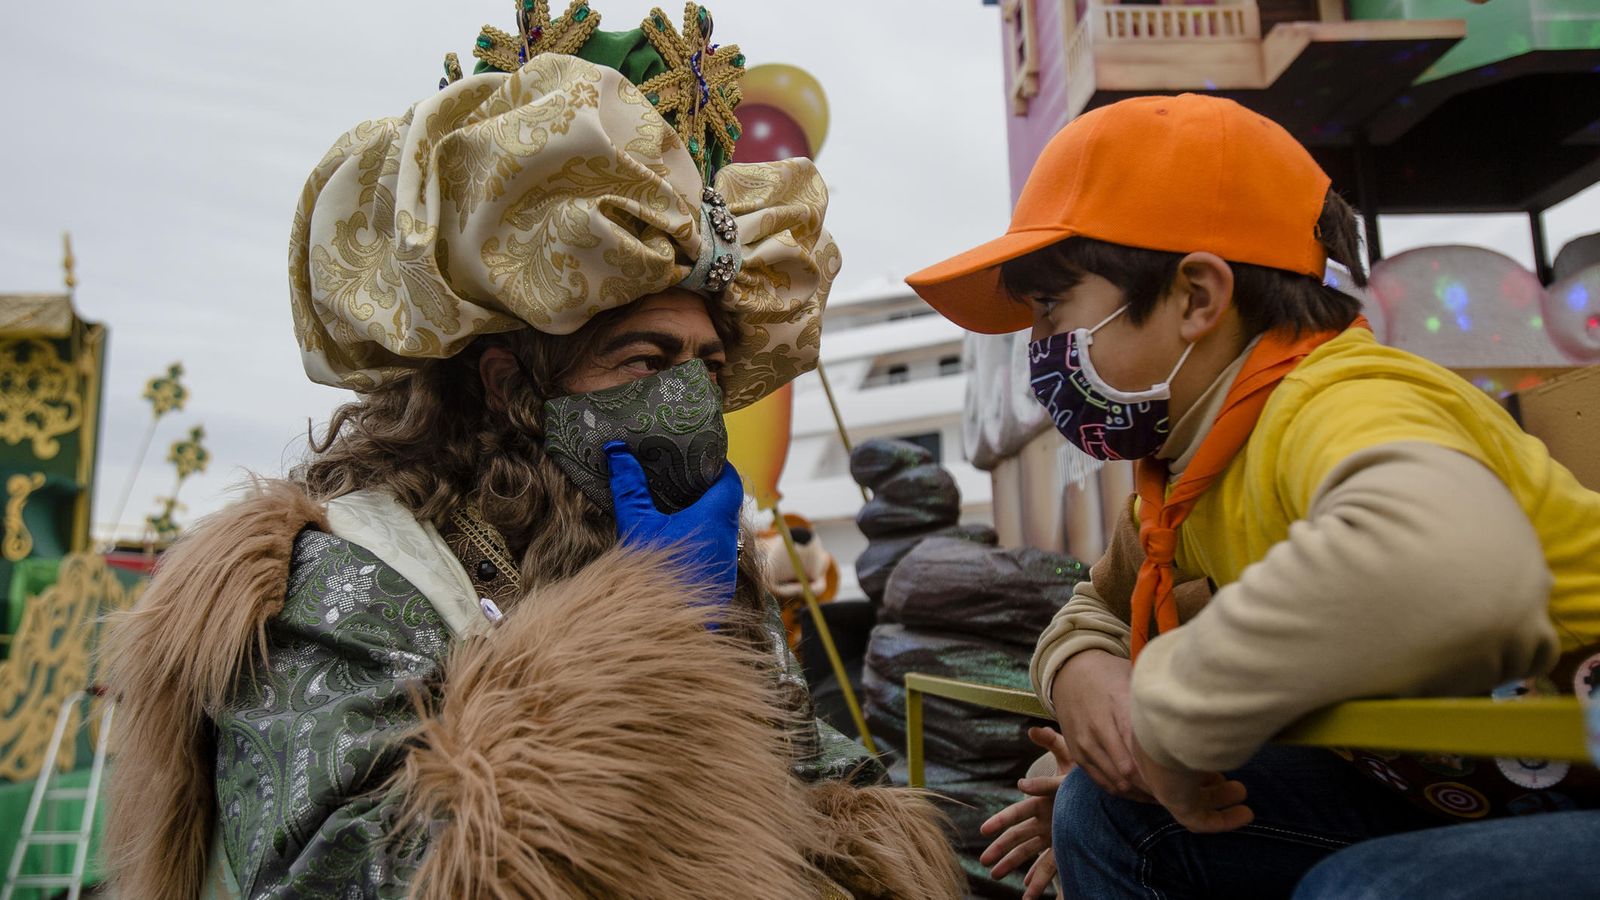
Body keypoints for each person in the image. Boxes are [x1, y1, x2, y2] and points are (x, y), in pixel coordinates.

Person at [102, 5, 964, 898]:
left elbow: (821, 791)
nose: (691, 402)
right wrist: (642, 655)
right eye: (643, 359)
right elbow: (338, 871)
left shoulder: (696, 569)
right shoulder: (350, 576)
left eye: (710, 368)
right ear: (513, 385)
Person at [905, 93, 1600, 897]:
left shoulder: (1341, 396)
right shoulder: (1188, 473)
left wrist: (1167, 714)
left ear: (1198, 297)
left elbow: (1453, 568)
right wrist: (1087, 676)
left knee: (1362, 891)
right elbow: (1098, 605)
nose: (1040, 350)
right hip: (1479, 795)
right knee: (1108, 812)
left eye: (1053, 307)